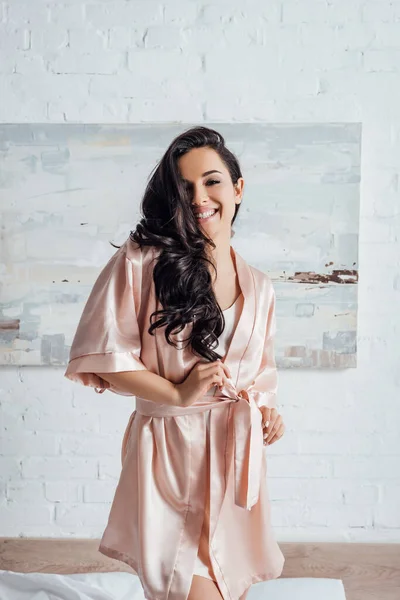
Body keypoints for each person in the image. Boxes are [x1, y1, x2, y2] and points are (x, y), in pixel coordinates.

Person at [64, 125, 286, 600]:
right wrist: (179, 394)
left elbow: (259, 371)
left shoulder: (260, 284)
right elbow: (104, 357)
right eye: (184, 188)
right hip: (169, 454)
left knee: (229, 584)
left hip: (233, 457)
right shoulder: (141, 262)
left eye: (211, 181)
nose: (199, 197)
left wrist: (266, 410)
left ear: (237, 189)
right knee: (184, 585)